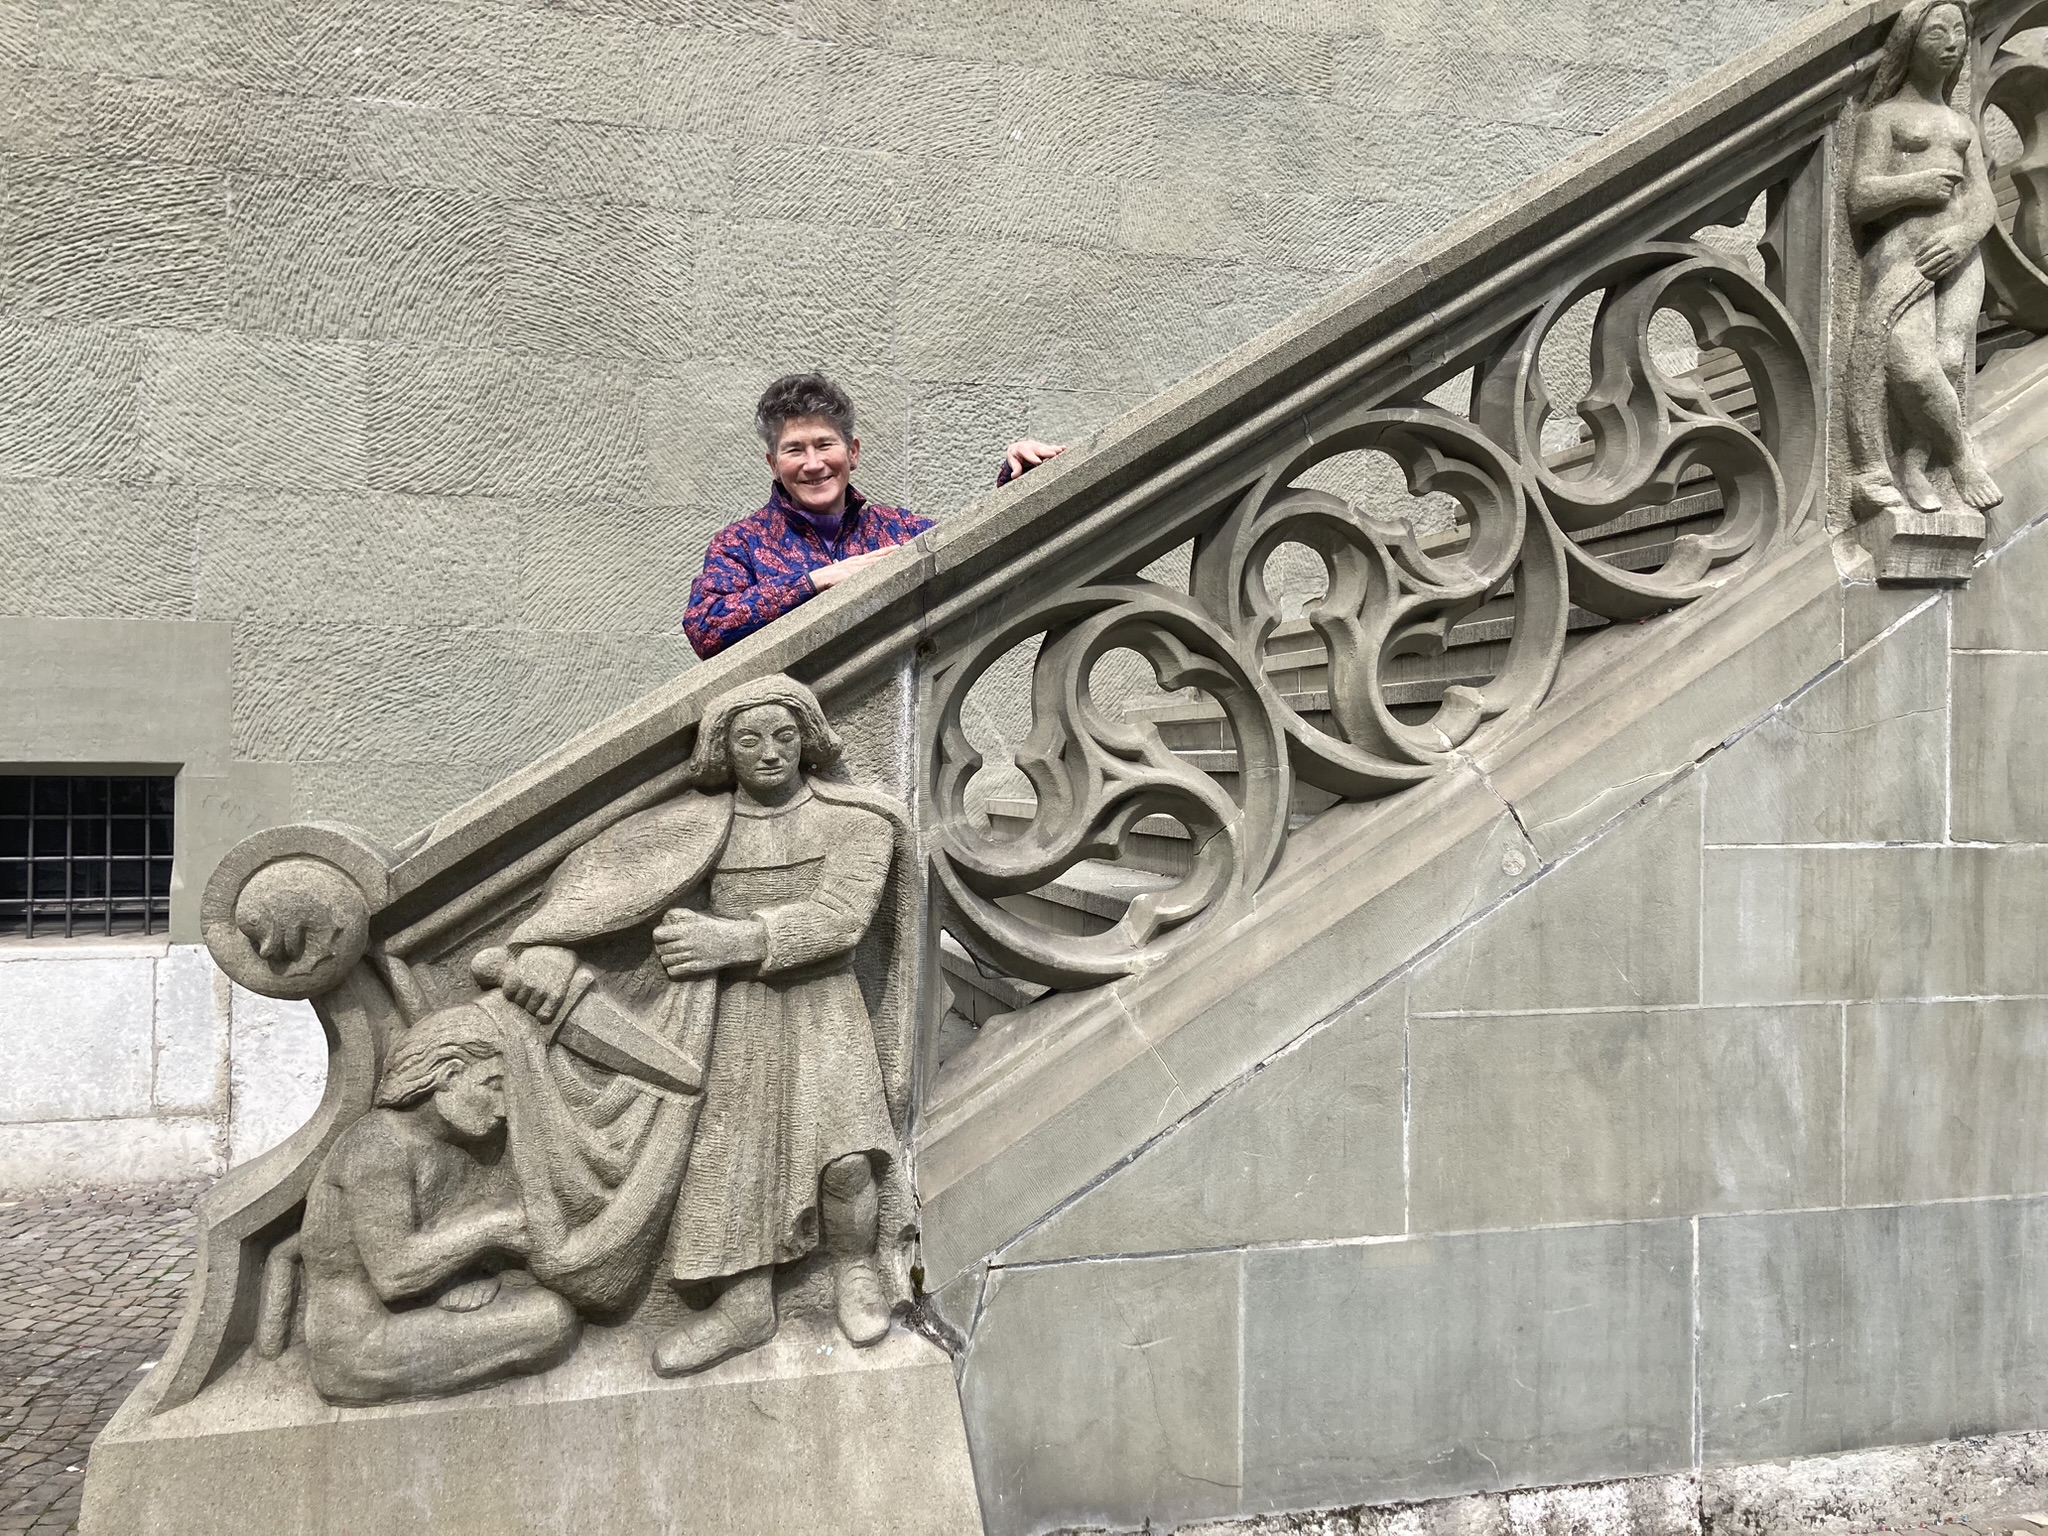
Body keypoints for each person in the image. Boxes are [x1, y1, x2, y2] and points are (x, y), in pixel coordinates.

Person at [494, 674, 917, 1377]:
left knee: (845, 1160)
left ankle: (854, 1270)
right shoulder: (700, 825)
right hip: (737, 1016)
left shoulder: (856, 822)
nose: (770, 753)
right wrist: (546, 939)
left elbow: (843, 920)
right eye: (749, 739)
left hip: (822, 1005)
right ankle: (745, 1306)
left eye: (785, 736)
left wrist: (737, 940)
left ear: (810, 739)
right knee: (731, 1163)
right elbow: (612, 886)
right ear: (724, 750)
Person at [292, 1005, 580, 1405]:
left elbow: (442, 1247)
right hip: (362, 1346)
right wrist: (492, 1229)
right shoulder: (378, 1145)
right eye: (495, 1086)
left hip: (417, 1317)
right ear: (449, 1075)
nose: (503, 1109)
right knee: (550, 1321)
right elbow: (394, 1274)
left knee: (544, 1306)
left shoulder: (452, 1148)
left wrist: (468, 1279)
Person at [682, 373, 1066, 657]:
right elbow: (705, 628)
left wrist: (1019, 476)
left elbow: (978, 552)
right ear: (773, 463)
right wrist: (817, 581)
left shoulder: (899, 530)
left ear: (853, 452)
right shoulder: (740, 543)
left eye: (825, 445)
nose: (813, 464)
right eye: (794, 450)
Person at [1845, 0, 2002, 517]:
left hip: (1957, 255)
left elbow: (1983, 200)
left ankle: (1915, 463)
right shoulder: (1881, 118)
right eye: (1937, 31)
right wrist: (1915, 186)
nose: (1952, 42)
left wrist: (1962, 240)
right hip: (1901, 256)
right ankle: (1961, 458)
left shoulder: (1961, 124)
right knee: (1913, 369)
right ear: (1910, 41)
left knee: (1952, 363)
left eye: (1959, 30)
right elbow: (1861, 196)